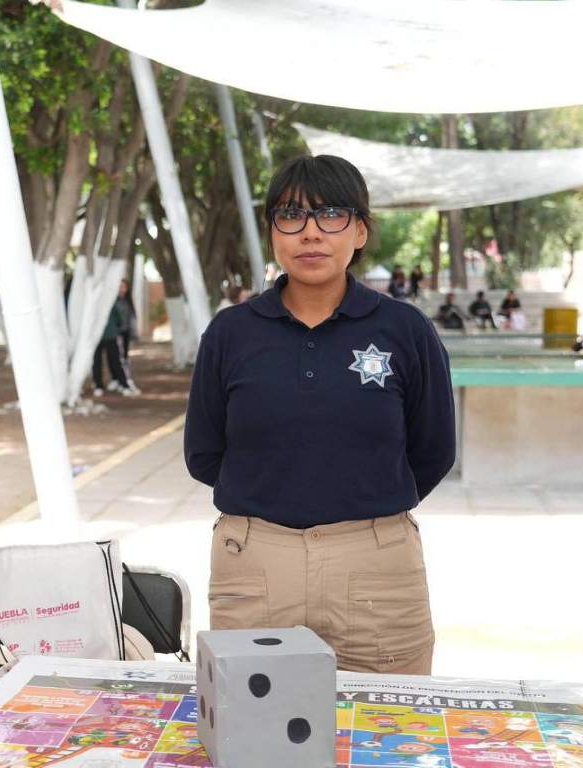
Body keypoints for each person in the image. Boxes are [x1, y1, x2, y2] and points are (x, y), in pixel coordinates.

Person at [185, 154, 454, 675]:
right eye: (291, 216)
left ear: (360, 231)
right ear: (272, 234)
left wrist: (362, 509)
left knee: (388, 738)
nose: (310, 233)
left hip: (377, 571)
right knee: (254, 739)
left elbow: (434, 449)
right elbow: (204, 452)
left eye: (330, 215)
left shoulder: (405, 329)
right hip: (257, 565)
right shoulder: (230, 333)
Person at [92, 302, 134, 397]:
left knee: (103, 362)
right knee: (108, 361)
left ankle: (119, 384)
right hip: (104, 337)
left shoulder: (104, 302)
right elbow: (119, 320)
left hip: (106, 336)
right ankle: (121, 384)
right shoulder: (109, 302)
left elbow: (119, 319)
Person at [114, 278, 138, 391]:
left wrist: (133, 332)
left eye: (124, 286)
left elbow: (132, 317)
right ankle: (119, 378)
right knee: (119, 355)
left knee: (125, 356)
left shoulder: (128, 302)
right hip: (117, 332)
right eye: (120, 286)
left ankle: (126, 377)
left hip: (126, 332)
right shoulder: (114, 301)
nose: (122, 289)